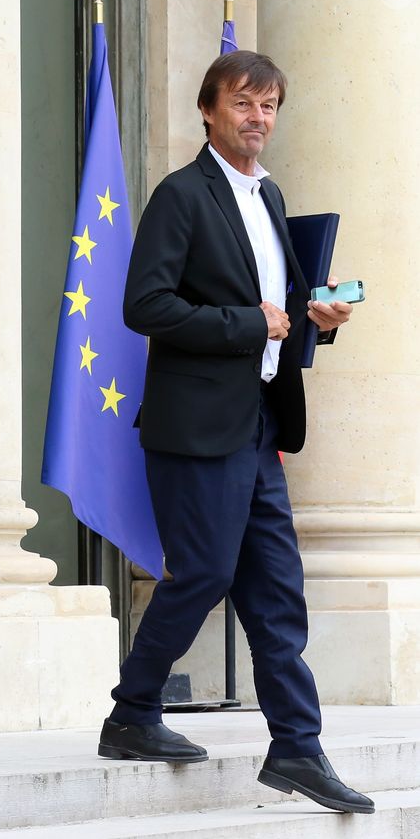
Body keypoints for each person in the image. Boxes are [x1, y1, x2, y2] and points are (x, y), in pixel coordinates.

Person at [97, 51, 374, 816]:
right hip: (194, 428)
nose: (260, 118)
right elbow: (145, 307)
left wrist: (311, 315)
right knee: (208, 574)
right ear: (209, 110)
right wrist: (250, 324)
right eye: (245, 104)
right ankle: (132, 712)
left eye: (270, 105)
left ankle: (297, 747)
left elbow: (276, 306)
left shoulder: (269, 196)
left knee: (278, 590)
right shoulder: (181, 196)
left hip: (258, 424)